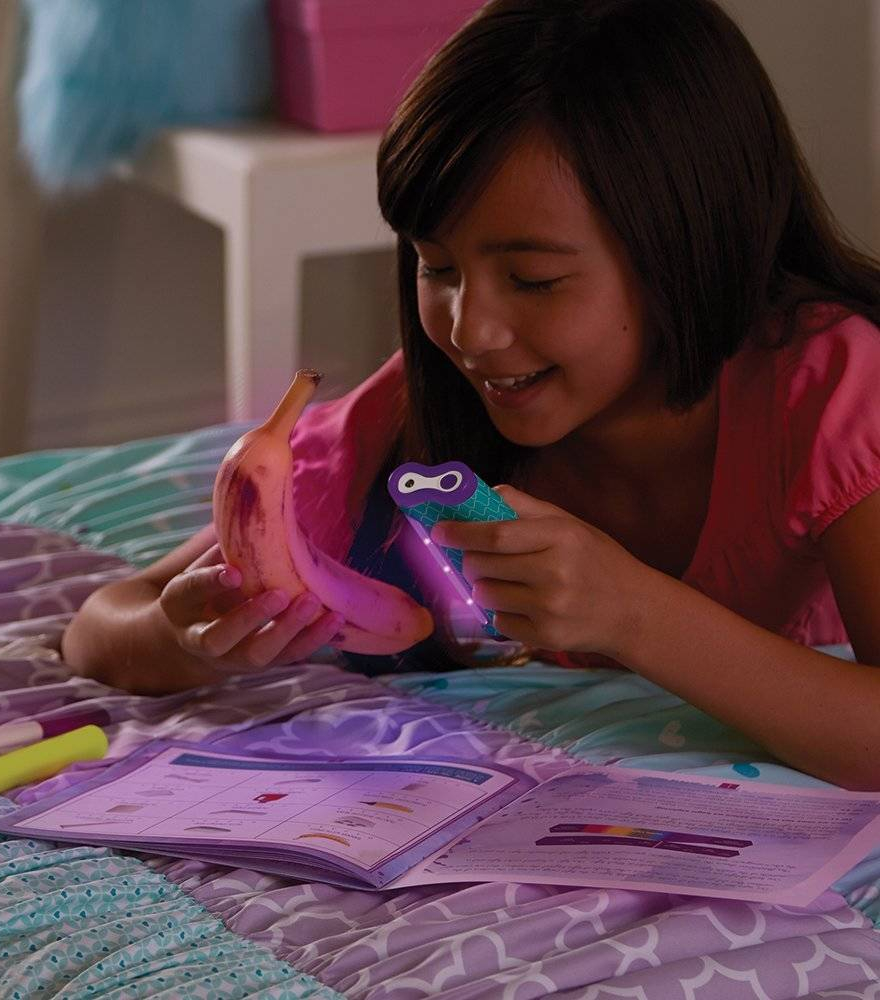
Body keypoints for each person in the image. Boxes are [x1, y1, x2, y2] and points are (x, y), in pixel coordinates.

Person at [63, 0, 880, 789]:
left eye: (534, 279)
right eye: (438, 267)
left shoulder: (834, 388)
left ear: (690, 251)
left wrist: (634, 613)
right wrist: (190, 637)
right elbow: (102, 626)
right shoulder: (419, 414)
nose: (470, 331)